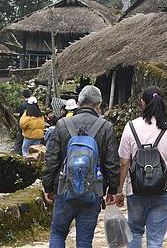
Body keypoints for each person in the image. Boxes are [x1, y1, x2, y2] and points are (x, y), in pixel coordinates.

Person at [43, 85, 120, 248]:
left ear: (78, 102)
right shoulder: (106, 127)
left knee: (58, 233)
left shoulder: (63, 124)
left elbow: (51, 159)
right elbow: (111, 162)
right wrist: (113, 190)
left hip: (64, 189)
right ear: (98, 105)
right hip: (92, 190)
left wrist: (48, 186)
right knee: (84, 241)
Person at [116, 86, 167, 248]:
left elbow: (124, 162)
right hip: (163, 190)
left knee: (134, 232)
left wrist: (119, 190)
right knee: (155, 240)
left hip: (136, 190)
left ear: (143, 103)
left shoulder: (130, 127)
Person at [14, 88, 33, 155]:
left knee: (18, 144)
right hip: (31, 127)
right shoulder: (34, 104)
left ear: (23, 96)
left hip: (23, 126)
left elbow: (21, 115)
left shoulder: (24, 105)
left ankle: (18, 157)